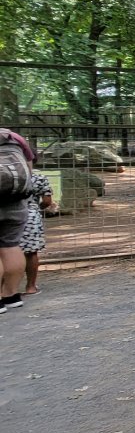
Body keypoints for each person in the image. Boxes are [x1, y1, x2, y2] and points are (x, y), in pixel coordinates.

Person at [0, 128, 35, 314]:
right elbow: (28, 170)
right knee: (10, 245)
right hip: (16, 201)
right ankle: (11, 296)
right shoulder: (13, 136)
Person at [21, 168, 54, 295]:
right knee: (31, 253)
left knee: (5, 251)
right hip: (30, 214)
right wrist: (36, 208)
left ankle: (5, 289)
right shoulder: (38, 177)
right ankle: (30, 286)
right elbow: (47, 201)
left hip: (5, 212)